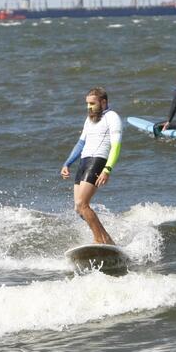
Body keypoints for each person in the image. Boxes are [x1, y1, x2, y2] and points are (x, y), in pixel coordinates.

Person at [60, 87, 122, 245]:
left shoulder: (112, 117)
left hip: (98, 161)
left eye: (92, 103)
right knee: (78, 208)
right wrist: (67, 163)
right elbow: (80, 144)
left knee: (82, 204)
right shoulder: (90, 119)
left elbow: (116, 146)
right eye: (87, 104)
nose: (89, 107)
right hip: (84, 161)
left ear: (103, 102)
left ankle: (98, 239)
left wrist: (107, 169)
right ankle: (106, 238)